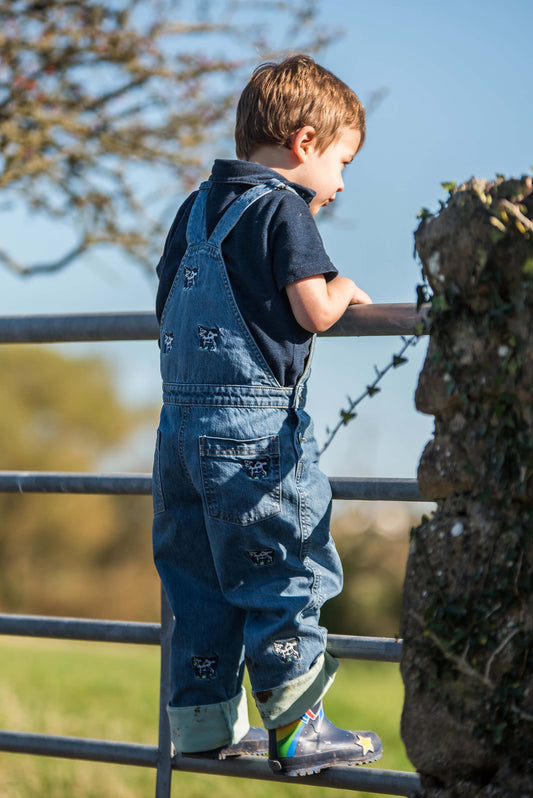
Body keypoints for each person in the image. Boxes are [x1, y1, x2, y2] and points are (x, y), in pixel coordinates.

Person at [152, 53, 383, 777]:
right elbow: (311, 309)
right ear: (304, 143)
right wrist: (344, 287)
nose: (339, 184)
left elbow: (166, 306)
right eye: (341, 163)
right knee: (283, 567)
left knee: (197, 583)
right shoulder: (282, 205)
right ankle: (296, 727)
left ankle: (200, 726)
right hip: (251, 434)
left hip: (178, 432)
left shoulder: (194, 210)